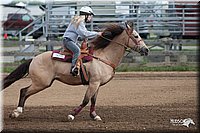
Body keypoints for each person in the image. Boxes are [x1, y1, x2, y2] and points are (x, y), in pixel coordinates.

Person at [63, 6, 102, 77]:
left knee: (83, 50)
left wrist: (84, 37)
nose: (91, 18)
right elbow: (84, 33)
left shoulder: (78, 21)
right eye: (90, 16)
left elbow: (80, 34)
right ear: (86, 15)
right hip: (69, 41)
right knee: (77, 51)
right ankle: (73, 68)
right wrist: (97, 34)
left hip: (69, 40)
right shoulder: (80, 22)